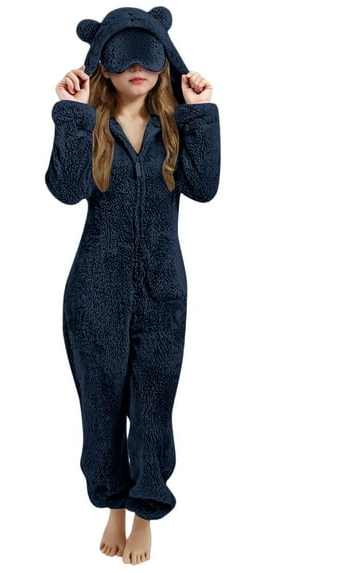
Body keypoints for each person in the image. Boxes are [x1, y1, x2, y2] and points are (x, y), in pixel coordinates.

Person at [45, 6, 220, 565]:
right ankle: (113, 505)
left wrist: (200, 112)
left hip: (163, 290)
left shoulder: (175, 126)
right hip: (94, 288)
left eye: (148, 58)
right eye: (123, 60)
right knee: (101, 406)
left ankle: (145, 511)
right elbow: (66, 189)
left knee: (152, 406)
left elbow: (204, 187)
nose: (137, 69)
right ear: (102, 63)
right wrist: (71, 114)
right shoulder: (91, 124)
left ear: (166, 60)